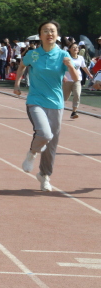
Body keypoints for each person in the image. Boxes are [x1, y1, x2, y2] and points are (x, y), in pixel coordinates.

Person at [14, 21, 78, 192]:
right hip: (35, 100)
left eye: (52, 31)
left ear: (57, 35)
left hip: (56, 103)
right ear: (40, 35)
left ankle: (44, 175)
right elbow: (22, 66)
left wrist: (70, 65)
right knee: (44, 134)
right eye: (45, 31)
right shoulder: (33, 54)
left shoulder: (63, 54)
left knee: (51, 144)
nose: (49, 33)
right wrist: (17, 84)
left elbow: (76, 78)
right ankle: (32, 153)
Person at [63, 42, 93, 119]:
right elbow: (61, 68)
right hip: (67, 80)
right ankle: (57, 109)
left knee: (77, 94)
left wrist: (89, 74)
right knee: (64, 98)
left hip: (77, 80)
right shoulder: (66, 58)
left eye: (77, 47)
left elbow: (84, 67)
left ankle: (74, 112)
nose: (75, 48)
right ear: (69, 49)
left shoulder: (80, 58)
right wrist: (63, 76)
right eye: (73, 47)